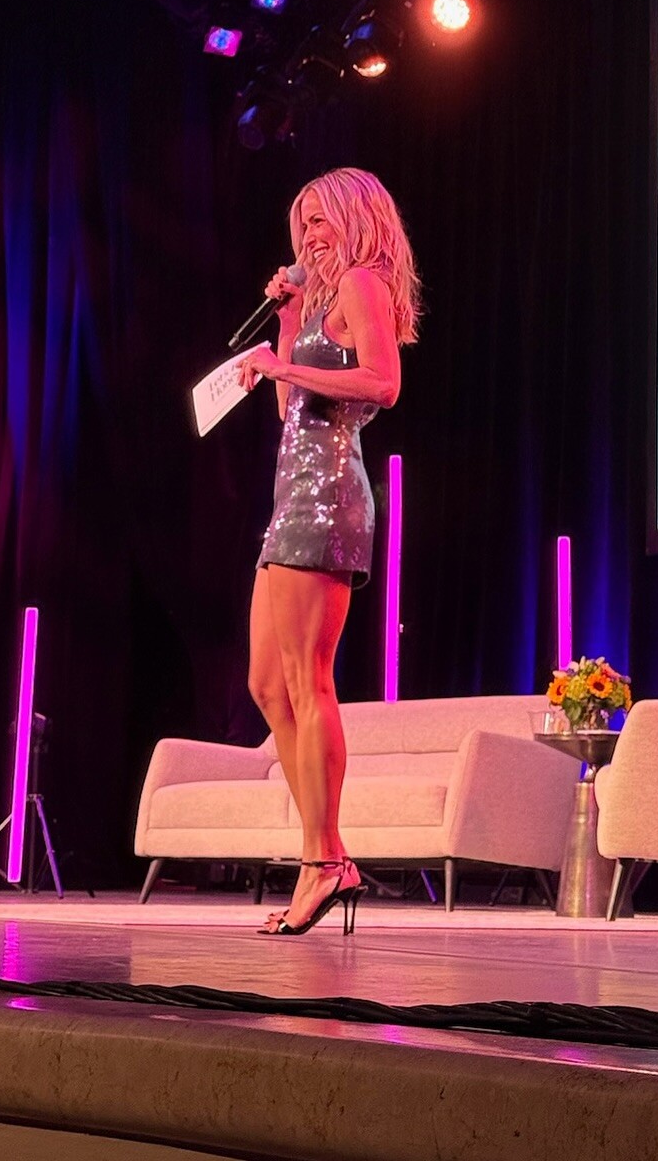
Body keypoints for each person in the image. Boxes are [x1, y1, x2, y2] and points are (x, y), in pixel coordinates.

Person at [236, 167, 420, 935]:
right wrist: (286, 325)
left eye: (321, 220)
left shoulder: (363, 282)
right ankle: (324, 855)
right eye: (302, 223)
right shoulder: (320, 299)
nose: (309, 235)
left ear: (356, 218)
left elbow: (384, 383)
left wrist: (284, 364)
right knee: (267, 686)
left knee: (307, 681)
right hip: (292, 501)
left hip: (328, 499)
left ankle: (324, 859)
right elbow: (290, 408)